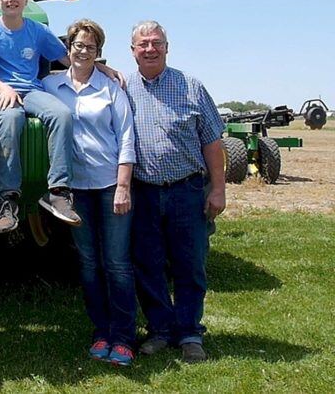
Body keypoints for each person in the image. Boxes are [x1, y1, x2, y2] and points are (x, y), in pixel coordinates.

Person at [126, 20, 226, 364]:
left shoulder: (191, 87)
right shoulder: (123, 88)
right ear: (133, 50)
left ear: (167, 47)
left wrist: (218, 190)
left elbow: (213, 141)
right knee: (148, 264)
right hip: (144, 192)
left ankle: (189, 333)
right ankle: (159, 331)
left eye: (156, 43)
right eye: (144, 44)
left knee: (190, 263)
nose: (150, 49)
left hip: (187, 190)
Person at [43, 19, 137, 366]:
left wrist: (124, 186)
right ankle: (101, 333)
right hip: (75, 190)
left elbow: (126, 136)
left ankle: (125, 338)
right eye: (78, 45)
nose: (83, 51)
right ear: (68, 48)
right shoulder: (51, 86)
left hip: (111, 184)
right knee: (88, 264)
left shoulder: (111, 88)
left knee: (116, 263)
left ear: (99, 53)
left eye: (91, 47)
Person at [0, 0, 79, 232]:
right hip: (0, 91)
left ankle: (58, 191)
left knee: (62, 115)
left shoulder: (37, 30)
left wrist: (103, 71)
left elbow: (69, 60)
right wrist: (4, 89)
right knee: (10, 121)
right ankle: (8, 199)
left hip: (32, 91)